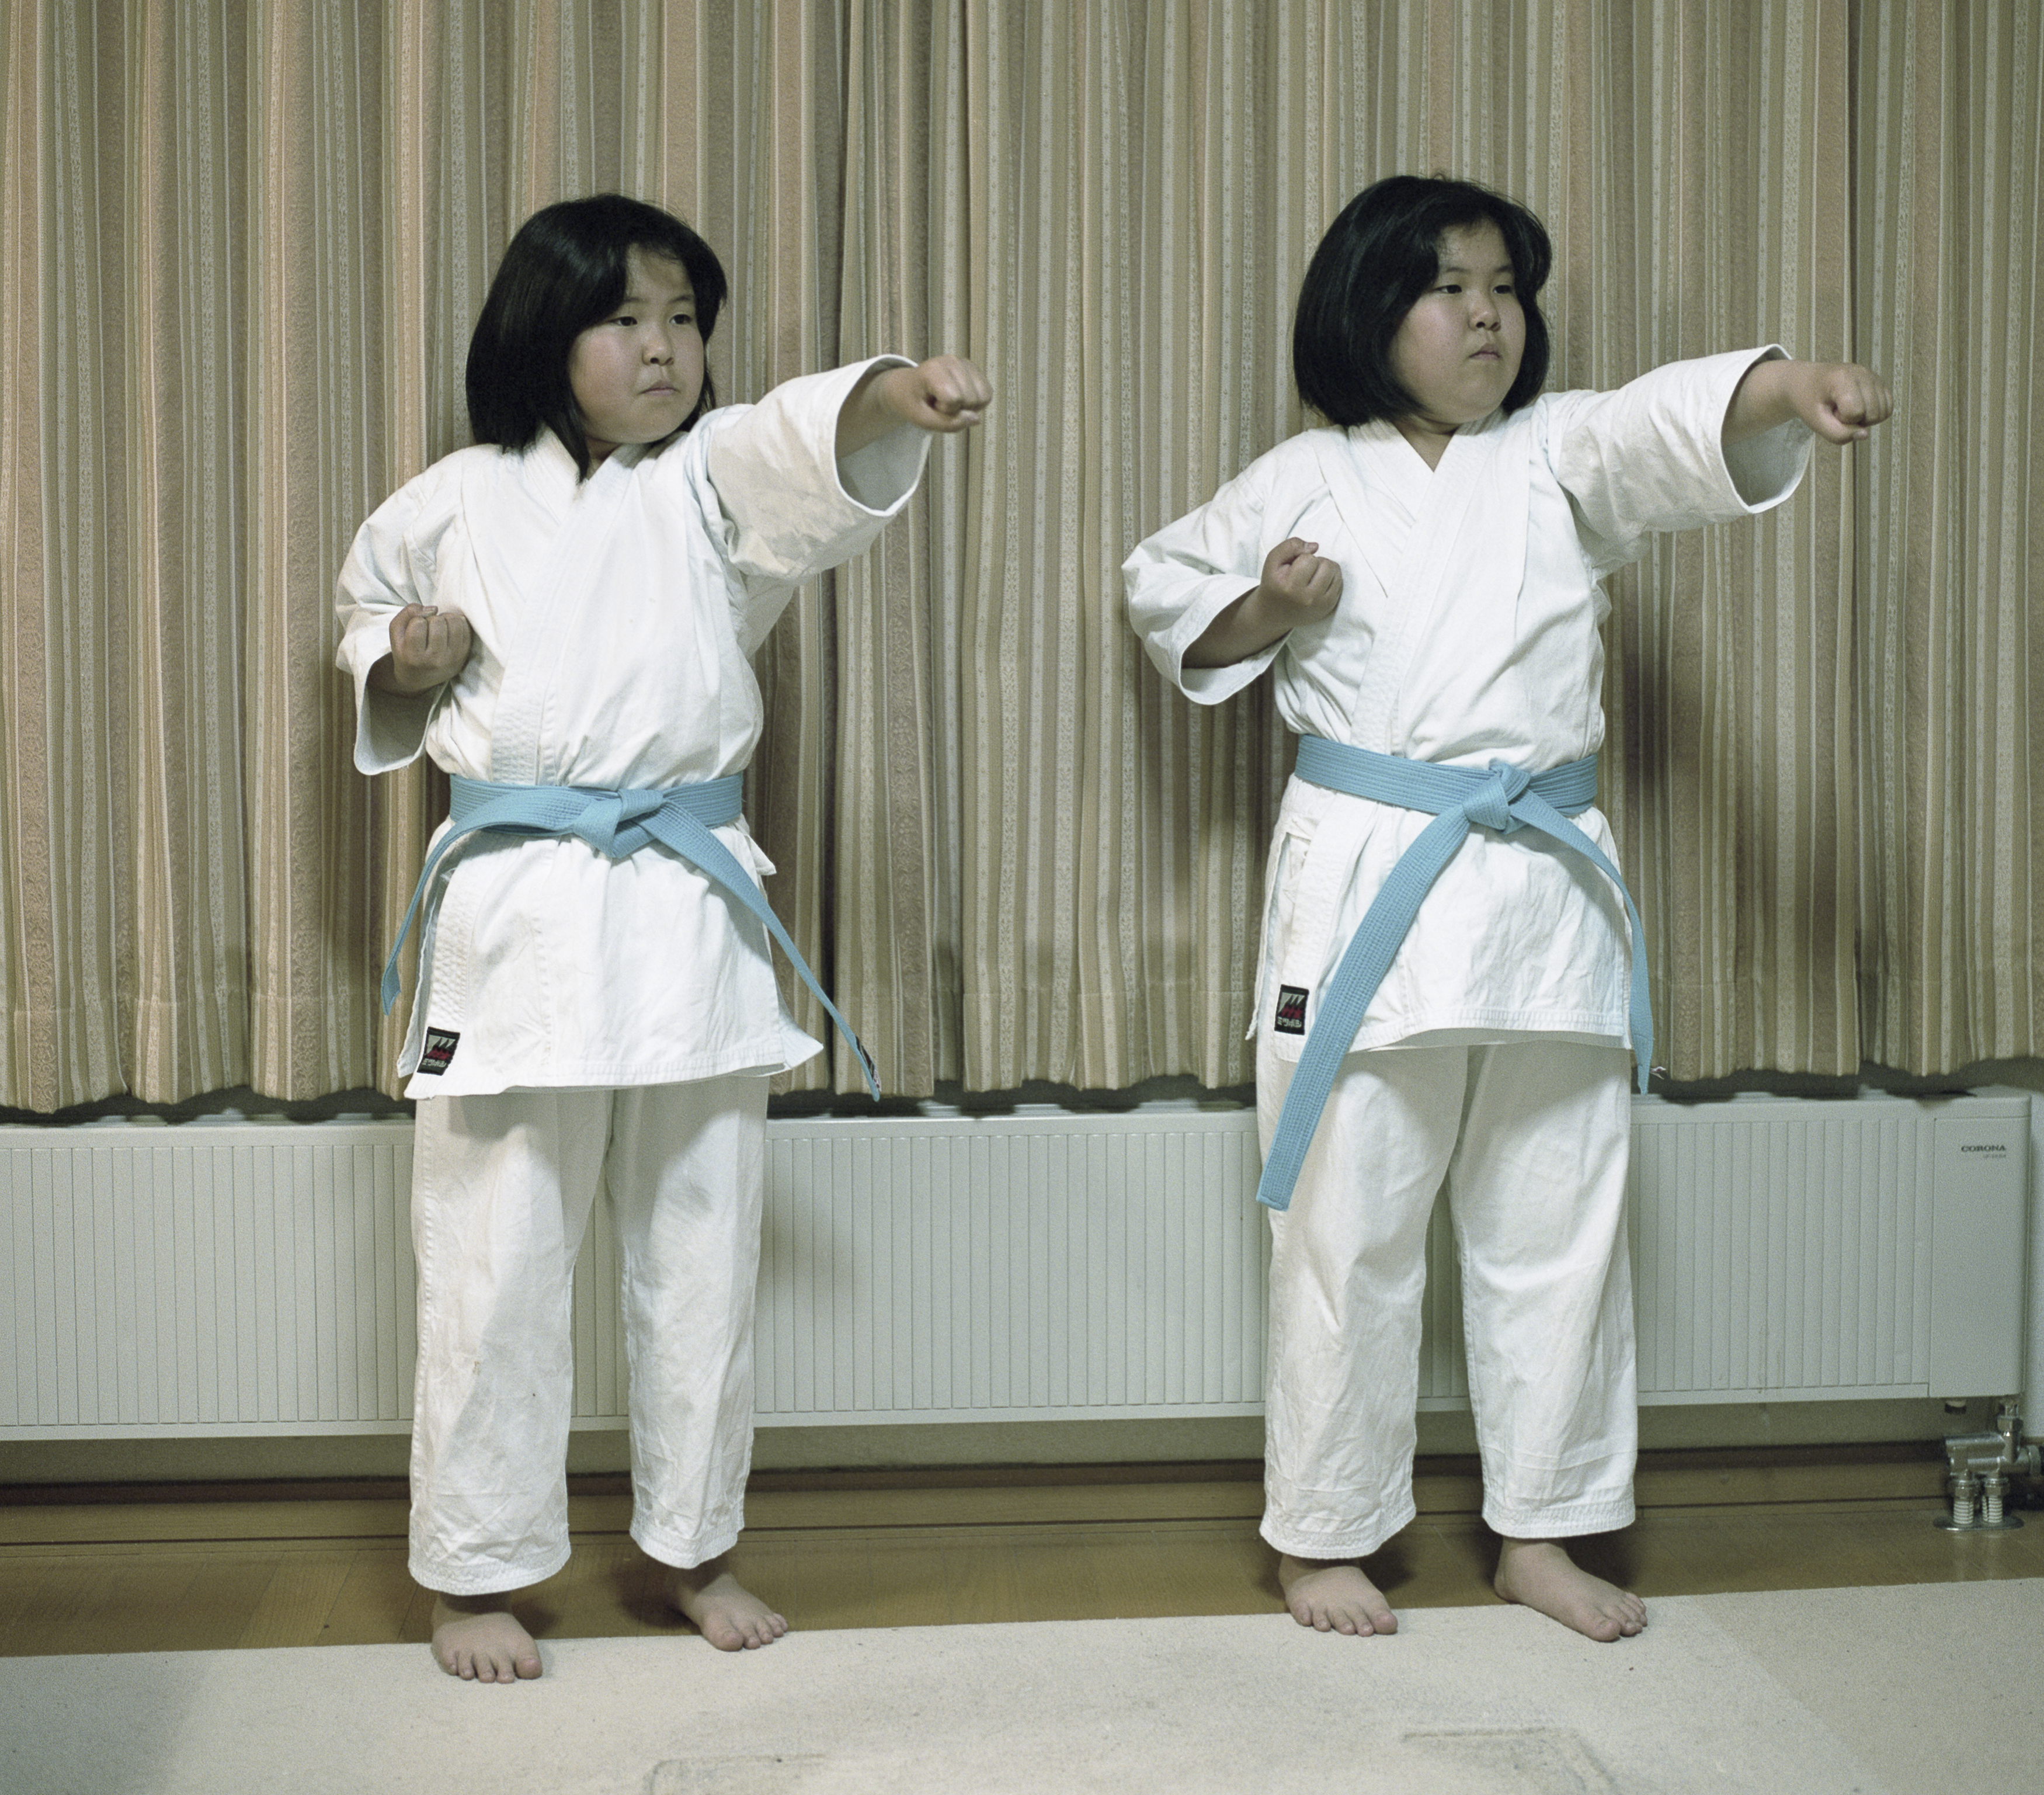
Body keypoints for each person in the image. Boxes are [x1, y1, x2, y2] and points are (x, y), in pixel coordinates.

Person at [1122, 174, 1889, 1643]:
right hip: (1368, 884)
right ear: (1368, 312)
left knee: (1558, 1225)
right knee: (1347, 1226)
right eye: (1447, 288)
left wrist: (1786, 384)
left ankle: (1544, 1525)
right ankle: (1328, 1532)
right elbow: (1162, 595)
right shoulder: (1304, 474)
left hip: (1540, 884)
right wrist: (1273, 611)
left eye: (1503, 289)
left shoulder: (1553, 454)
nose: (1486, 316)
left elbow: (1661, 429)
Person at [336, 193, 989, 1682]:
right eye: (627, 318)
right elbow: (369, 627)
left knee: (701, 1245)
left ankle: (693, 1542)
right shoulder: (446, 500)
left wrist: (893, 392)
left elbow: (796, 445)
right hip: (517, 912)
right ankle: (476, 1569)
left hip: (686, 899)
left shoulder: (706, 482)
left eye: (686, 319)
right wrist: (403, 658)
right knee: (494, 1256)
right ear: (541, 331)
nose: (665, 349)